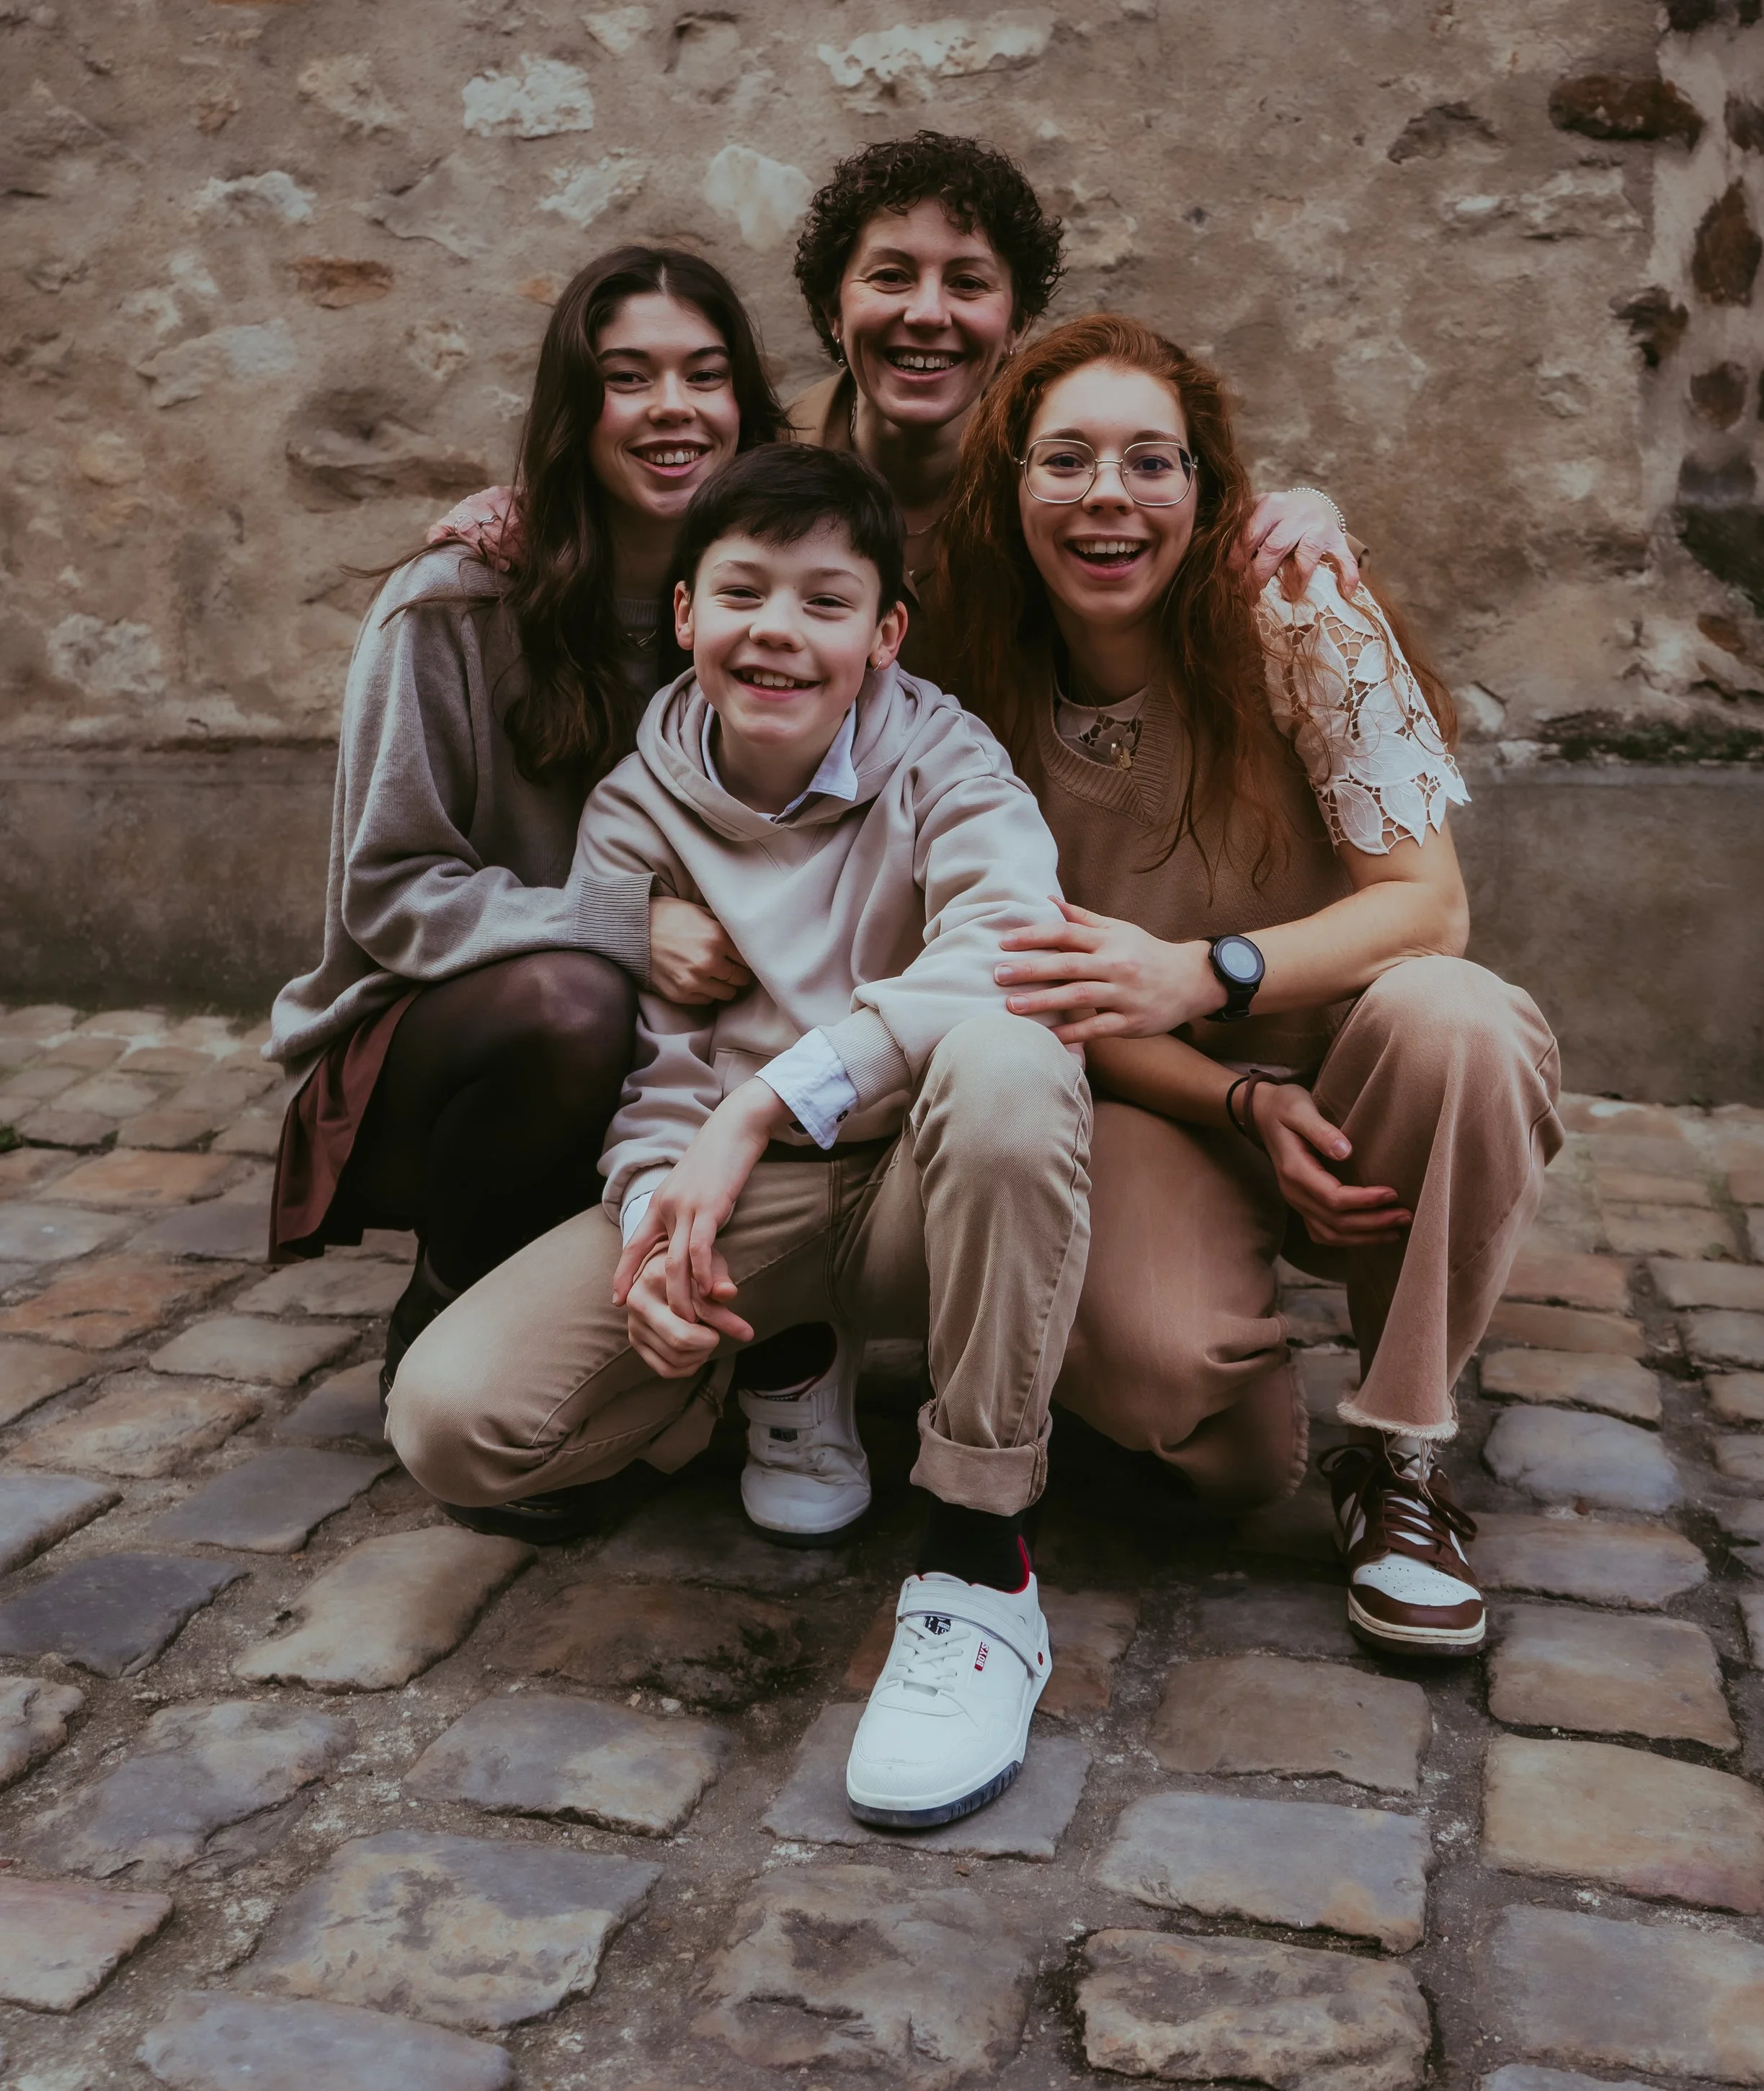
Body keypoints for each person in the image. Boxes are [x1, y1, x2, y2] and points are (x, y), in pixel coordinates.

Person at [386, 444, 1090, 1829]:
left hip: (915, 1188)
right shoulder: (637, 805)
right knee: (453, 1422)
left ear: (884, 635)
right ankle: (767, 1355)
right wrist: (659, 1215)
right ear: (690, 618)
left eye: (827, 602)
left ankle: (977, 1555)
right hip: (746, 1206)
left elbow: (1012, 950)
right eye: (746, 594)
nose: (781, 630)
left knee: (1014, 1063)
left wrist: (769, 1103)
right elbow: (654, 1071)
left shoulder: (945, 754)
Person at [935, 313, 1563, 1657]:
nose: (1110, 496)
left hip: (1355, 1078)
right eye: (1068, 462)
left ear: (1211, 495)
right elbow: (1037, 988)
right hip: (1165, 1102)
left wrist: (1206, 973)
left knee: (1466, 1019)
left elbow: (1428, 906)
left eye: (1151, 463)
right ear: (1009, 490)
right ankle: (1204, 1354)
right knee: (1201, 1446)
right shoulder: (968, 683)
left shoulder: (1300, 619)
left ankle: (1399, 1461)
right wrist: (1238, 1097)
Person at [265, 247, 781, 1486]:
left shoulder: (770, 619)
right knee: (574, 1000)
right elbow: (388, 892)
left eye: (706, 376)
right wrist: (614, 925)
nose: (675, 408)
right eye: (629, 377)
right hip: (451, 1060)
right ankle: (445, 1302)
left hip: (679, 1058)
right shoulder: (446, 611)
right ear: (575, 409)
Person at [785, 130, 1359, 654]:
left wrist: (1311, 511)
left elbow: (1225, 543)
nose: (929, 313)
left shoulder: (1066, 465)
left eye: (968, 283)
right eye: (890, 276)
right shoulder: (761, 454)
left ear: (1018, 325)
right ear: (833, 308)